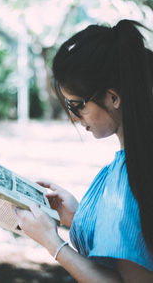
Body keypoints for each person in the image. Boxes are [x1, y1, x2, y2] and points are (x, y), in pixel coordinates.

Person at [13, 19, 153, 283]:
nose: (74, 117)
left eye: (77, 105)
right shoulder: (134, 163)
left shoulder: (132, 177)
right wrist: (77, 216)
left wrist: (52, 243)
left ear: (113, 97)